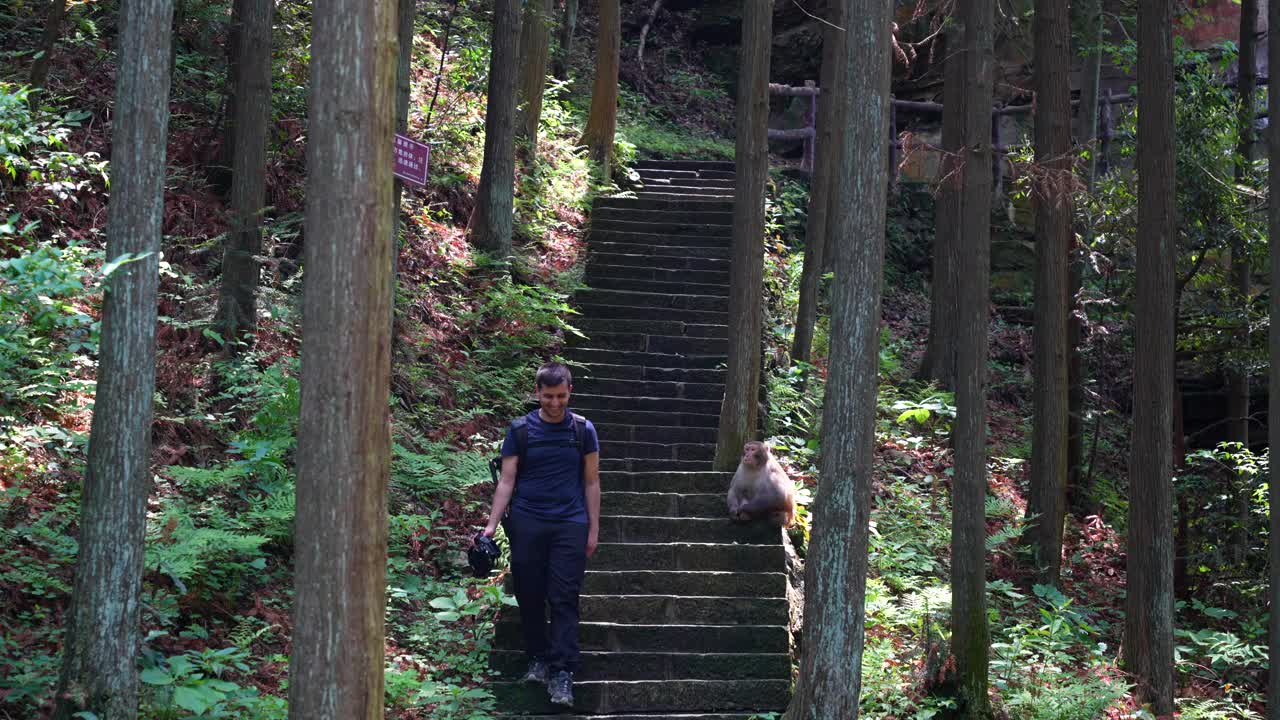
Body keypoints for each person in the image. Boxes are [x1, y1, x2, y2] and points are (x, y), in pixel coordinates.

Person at [481, 361, 600, 707]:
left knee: (564, 596)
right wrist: (491, 525)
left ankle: (563, 672)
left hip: (570, 523)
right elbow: (507, 480)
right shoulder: (519, 430)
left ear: (570, 392)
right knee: (529, 593)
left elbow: (592, 482)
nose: (554, 403)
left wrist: (593, 528)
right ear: (537, 393)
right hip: (528, 522)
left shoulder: (583, 430)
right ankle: (537, 657)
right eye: (548, 396)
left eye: (561, 396)